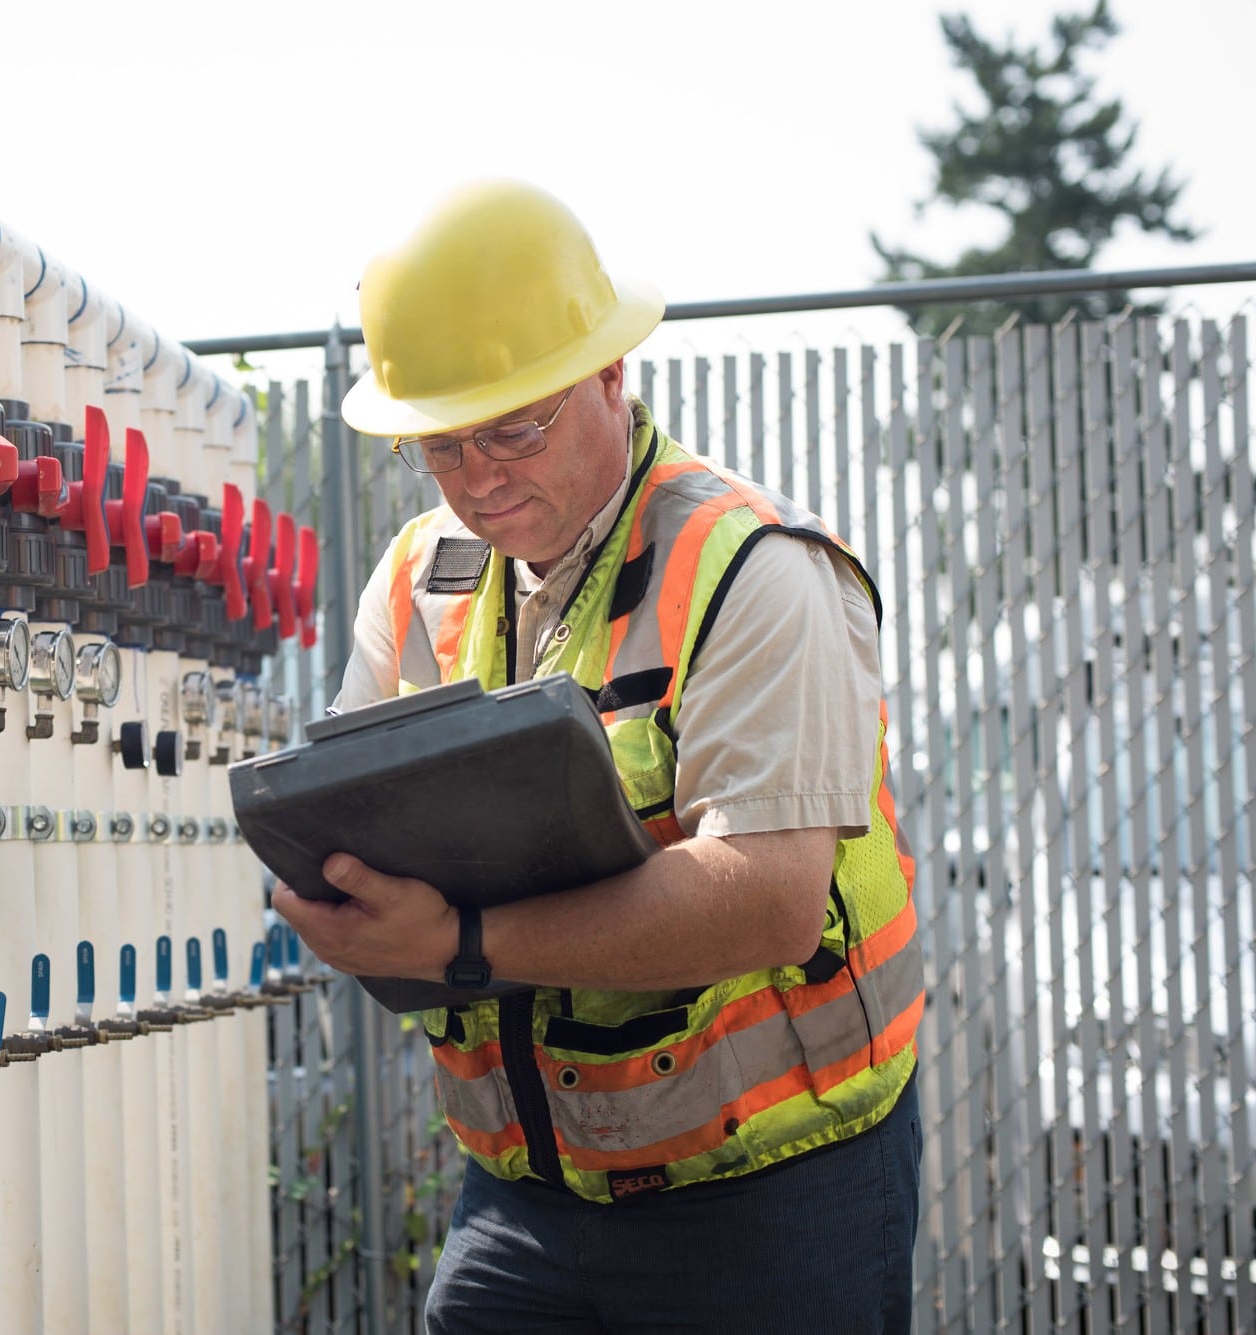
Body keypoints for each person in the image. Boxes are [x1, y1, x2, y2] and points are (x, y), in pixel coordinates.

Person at [271, 180, 925, 1334]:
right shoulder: (417, 577)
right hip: (525, 1191)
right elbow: (349, 812)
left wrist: (461, 943)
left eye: (514, 429)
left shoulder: (753, 572)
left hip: (771, 1196)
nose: (476, 476)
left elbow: (769, 900)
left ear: (610, 375)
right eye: (440, 443)